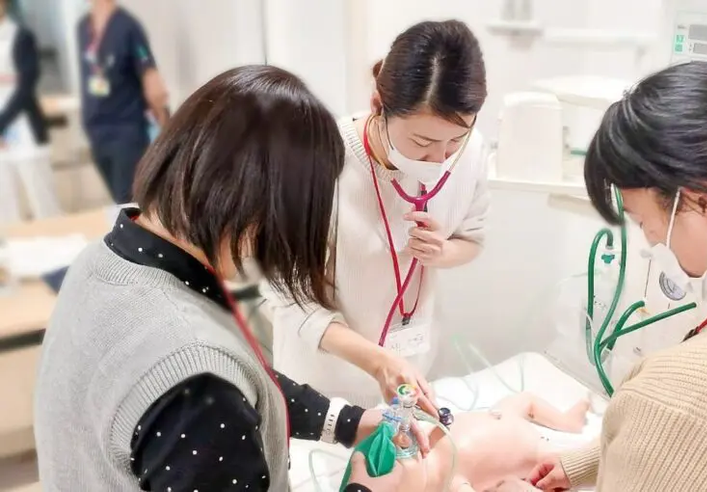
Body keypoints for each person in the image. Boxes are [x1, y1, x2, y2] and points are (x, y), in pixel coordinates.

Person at [34, 65, 428, 492]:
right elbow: (208, 387)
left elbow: (240, 384)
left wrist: (351, 422)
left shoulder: (103, 261)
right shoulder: (198, 384)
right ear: (262, 206)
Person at [529, 62, 707, 491]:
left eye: (642, 221)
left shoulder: (680, 396)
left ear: (701, 203)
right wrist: (595, 458)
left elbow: (698, 423)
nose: (652, 242)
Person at [261, 19, 490, 414]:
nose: (439, 159)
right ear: (377, 106)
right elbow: (286, 298)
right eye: (422, 141)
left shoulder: (472, 153)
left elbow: (472, 239)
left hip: (413, 377)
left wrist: (443, 253)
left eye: (456, 139)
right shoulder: (318, 162)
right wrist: (378, 361)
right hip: (322, 392)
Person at [390, 392, 589, 491]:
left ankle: (567, 421)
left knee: (524, 398)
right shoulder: (451, 482)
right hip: (527, 446)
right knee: (564, 464)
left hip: (499, 414)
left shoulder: (419, 437)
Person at [77, 0, 169, 204]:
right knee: (120, 201)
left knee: (129, 202)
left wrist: (166, 130)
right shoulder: (83, 27)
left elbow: (152, 81)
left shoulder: (128, 27)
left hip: (125, 133)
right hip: (96, 132)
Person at [0, 0, 59, 223]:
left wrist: (1, 123)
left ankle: (56, 242)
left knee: (43, 202)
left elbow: (26, 87)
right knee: (5, 208)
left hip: (25, 131)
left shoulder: (21, 37)